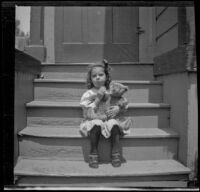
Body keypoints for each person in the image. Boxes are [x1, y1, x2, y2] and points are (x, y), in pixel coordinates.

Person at [79, 60, 131, 168]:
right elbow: (87, 110)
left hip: (109, 118)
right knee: (95, 124)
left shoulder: (112, 90)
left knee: (114, 124)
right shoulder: (89, 93)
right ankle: (94, 153)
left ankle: (115, 153)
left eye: (100, 75)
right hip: (95, 118)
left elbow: (123, 102)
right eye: (94, 76)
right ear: (91, 79)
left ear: (106, 77)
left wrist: (118, 108)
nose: (97, 77)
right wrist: (97, 98)